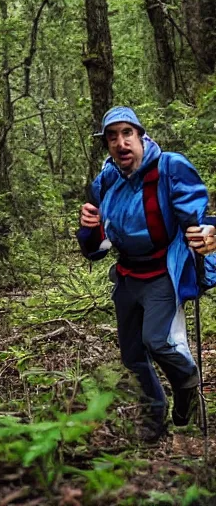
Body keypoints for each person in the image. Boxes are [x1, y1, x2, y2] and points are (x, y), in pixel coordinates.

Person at [77, 106, 216, 442]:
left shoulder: (169, 168)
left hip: (161, 274)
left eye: (127, 134)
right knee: (132, 355)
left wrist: (206, 238)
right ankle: (155, 420)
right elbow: (95, 244)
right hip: (127, 275)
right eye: (112, 137)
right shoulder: (106, 179)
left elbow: (200, 218)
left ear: (141, 136)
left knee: (159, 341)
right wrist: (88, 228)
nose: (120, 143)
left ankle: (186, 387)